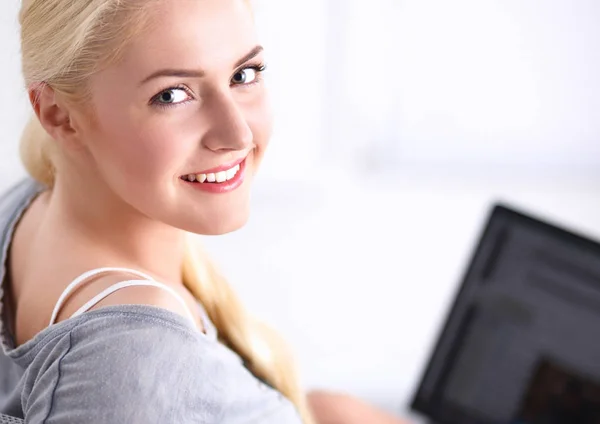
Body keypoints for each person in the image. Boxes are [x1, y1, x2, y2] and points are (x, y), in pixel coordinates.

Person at [0, 0, 409, 423]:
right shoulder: (135, 354)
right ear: (58, 115)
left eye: (243, 75)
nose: (238, 134)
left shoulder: (31, 206)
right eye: (172, 95)